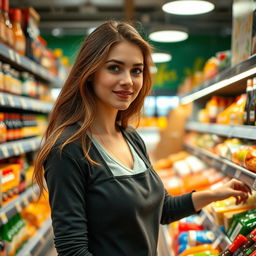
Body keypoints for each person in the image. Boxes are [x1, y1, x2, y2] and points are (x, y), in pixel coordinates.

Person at [33, 21, 251, 256]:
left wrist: (216, 193)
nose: (128, 80)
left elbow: (161, 208)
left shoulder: (131, 139)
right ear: (89, 73)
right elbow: (72, 250)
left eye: (136, 70)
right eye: (115, 68)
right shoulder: (68, 149)